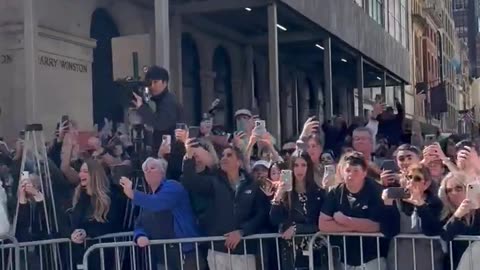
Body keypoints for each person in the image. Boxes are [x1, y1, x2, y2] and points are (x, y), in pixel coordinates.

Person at [181, 144, 269, 270]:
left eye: (229, 155)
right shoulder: (213, 182)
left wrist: (242, 231)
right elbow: (189, 181)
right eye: (222, 155)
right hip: (218, 250)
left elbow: (261, 214)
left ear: (239, 162)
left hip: (245, 250)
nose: (224, 158)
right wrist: (188, 157)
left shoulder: (253, 185)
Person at [318, 151, 397, 270]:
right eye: (348, 170)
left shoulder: (376, 191)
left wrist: (345, 220)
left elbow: (377, 226)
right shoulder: (336, 192)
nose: (351, 175)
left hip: (372, 259)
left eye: (356, 171)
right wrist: (355, 227)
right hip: (345, 260)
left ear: (364, 173)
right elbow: (323, 224)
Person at [120, 157, 202, 270]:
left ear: (162, 171)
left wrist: (132, 193)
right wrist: (140, 235)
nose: (148, 171)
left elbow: (157, 203)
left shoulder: (173, 186)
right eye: (145, 170)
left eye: (152, 168)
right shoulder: (148, 198)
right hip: (163, 255)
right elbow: (140, 224)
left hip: (186, 252)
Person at [270, 151, 326, 269]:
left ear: (308, 167)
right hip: (292, 252)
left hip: (316, 251)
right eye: (296, 165)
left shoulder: (318, 193)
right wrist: (278, 195)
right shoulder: (286, 194)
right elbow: (274, 220)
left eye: (303, 165)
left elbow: (322, 223)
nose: (299, 169)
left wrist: (297, 228)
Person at [132, 66, 180, 152]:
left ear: (165, 83)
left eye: (156, 82)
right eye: (150, 83)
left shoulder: (168, 101)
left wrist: (142, 108)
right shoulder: (158, 100)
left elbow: (160, 123)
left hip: (171, 152)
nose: (152, 86)